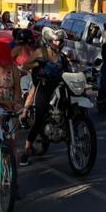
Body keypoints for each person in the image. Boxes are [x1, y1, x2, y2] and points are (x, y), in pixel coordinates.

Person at [23, 26, 70, 162]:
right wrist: (37, 64)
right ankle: (26, 151)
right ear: (49, 40)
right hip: (43, 87)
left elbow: (68, 71)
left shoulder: (62, 57)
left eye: (60, 41)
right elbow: (25, 65)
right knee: (40, 117)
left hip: (60, 87)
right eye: (55, 40)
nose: (58, 43)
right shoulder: (40, 52)